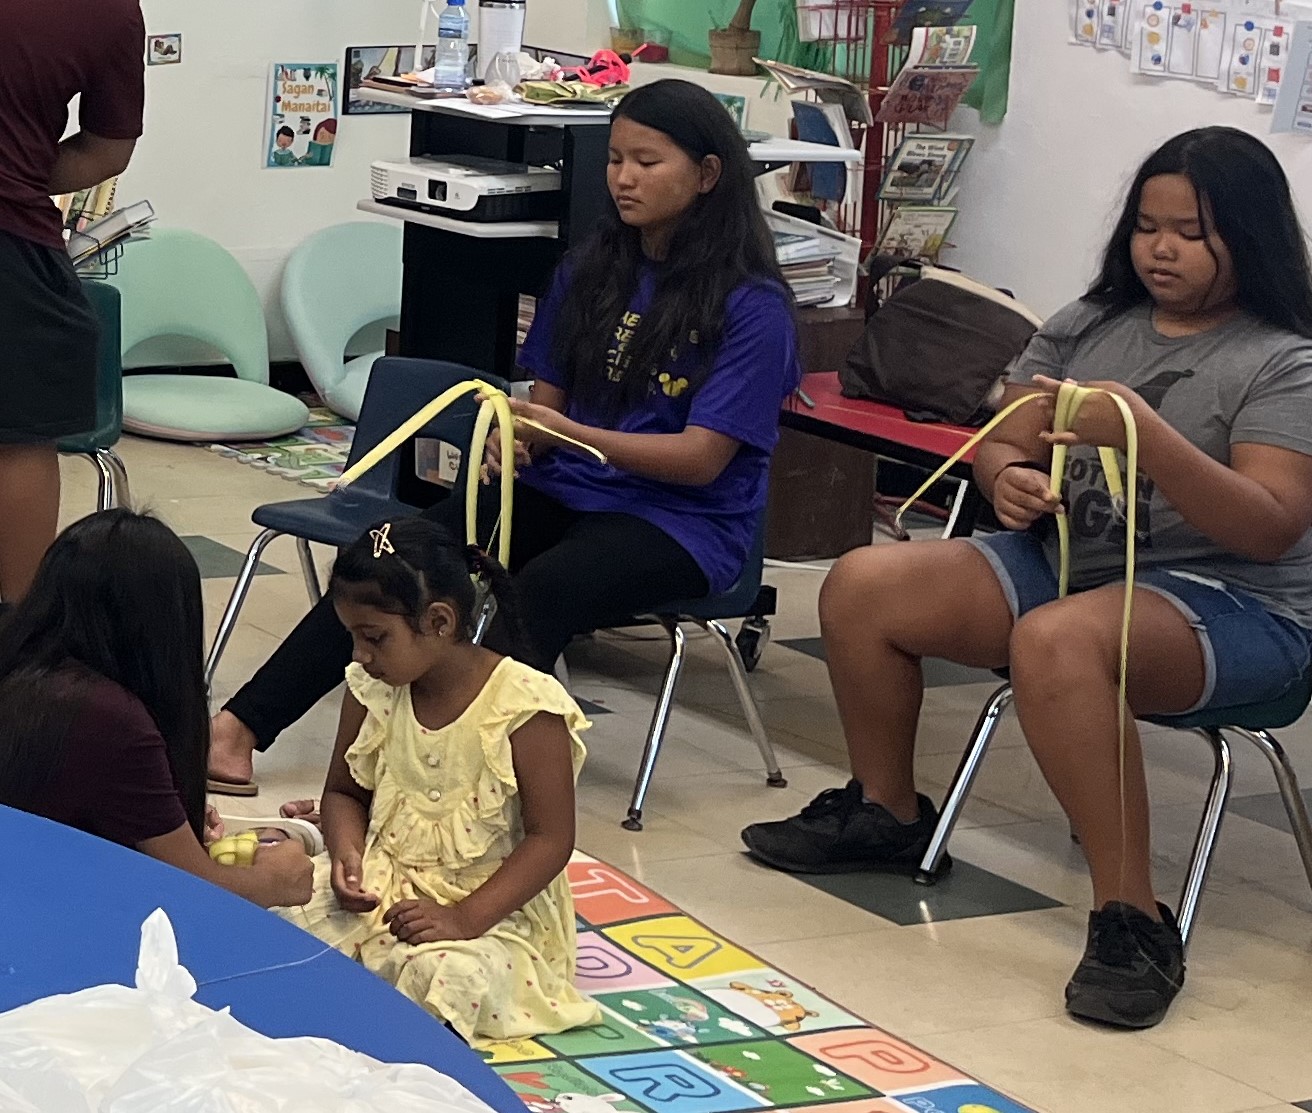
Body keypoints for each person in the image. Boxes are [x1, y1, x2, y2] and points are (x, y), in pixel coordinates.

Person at [742, 127, 1312, 1029]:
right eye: (1147, 226)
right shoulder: (1090, 324)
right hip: (1072, 561)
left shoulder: (1284, 359)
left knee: (1057, 640)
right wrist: (1003, 474)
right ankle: (886, 812)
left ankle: (1131, 916)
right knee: (860, 584)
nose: (1161, 248)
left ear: (1251, 237)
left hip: (1236, 605)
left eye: (1192, 232)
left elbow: (1273, 526)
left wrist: (1144, 436)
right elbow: (1009, 432)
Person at [208, 77, 801, 793]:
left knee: (539, 590)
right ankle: (236, 731)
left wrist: (568, 431)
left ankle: (435, 774)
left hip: (681, 523)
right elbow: (547, 402)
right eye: (615, 159)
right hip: (568, 487)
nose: (623, 179)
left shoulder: (753, 306)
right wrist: (521, 437)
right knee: (392, 557)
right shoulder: (593, 267)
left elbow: (703, 461)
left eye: (647, 163)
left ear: (708, 175)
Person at [280, 517, 600, 1047]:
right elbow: (343, 792)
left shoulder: (525, 707)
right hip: (387, 882)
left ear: (440, 621)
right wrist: (346, 856)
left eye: (374, 638)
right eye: (353, 638)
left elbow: (551, 841)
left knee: (449, 977)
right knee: (281, 910)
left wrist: (464, 917)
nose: (360, 656)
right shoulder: (372, 688)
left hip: (492, 910)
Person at [0, 510, 313, 909]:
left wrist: (165, 814)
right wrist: (276, 879)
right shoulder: (111, 718)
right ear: (165, 628)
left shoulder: (22, 660)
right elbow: (195, 892)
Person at [0, 0, 146, 601]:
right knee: (18, 440)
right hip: (11, 244)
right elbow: (108, 150)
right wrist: (22, 171)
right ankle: (16, 644)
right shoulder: (103, 7)